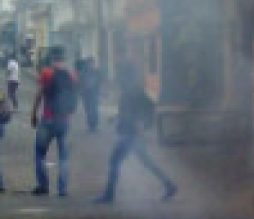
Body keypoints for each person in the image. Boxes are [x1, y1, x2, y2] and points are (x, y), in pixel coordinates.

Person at [95, 75, 177, 204]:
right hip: (132, 134)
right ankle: (169, 185)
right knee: (146, 162)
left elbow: (137, 112)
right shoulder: (137, 92)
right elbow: (135, 111)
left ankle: (109, 195)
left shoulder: (130, 94)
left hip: (130, 134)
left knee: (114, 162)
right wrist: (116, 117)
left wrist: (140, 124)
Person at [31, 48, 77, 196]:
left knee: (39, 153)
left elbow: (39, 94)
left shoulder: (46, 73)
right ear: (63, 59)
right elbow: (74, 96)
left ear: (51, 59)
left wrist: (33, 113)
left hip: (48, 119)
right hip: (64, 120)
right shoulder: (71, 74)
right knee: (64, 157)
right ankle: (62, 189)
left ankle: (43, 186)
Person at [77, 58, 102, 133]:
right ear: (87, 64)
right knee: (88, 109)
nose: (91, 65)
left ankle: (94, 125)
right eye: (90, 63)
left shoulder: (97, 72)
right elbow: (80, 82)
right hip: (86, 94)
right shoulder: (83, 72)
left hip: (94, 93)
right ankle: (91, 125)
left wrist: (100, 90)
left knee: (94, 108)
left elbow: (100, 81)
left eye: (92, 63)